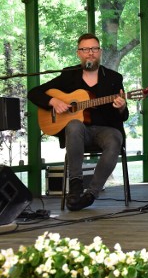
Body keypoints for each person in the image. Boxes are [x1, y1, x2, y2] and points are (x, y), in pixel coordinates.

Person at [28, 33, 129, 211]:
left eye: (94, 49)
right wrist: (54, 101)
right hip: (77, 133)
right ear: (78, 53)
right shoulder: (69, 75)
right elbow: (34, 93)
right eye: (85, 49)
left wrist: (121, 106)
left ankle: (91, 194)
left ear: (100, 52)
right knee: (74, 125)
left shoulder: (114, 78)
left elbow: (123, 115)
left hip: (105, 130)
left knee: (115, 138)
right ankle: (75, 187)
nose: (90, 53)